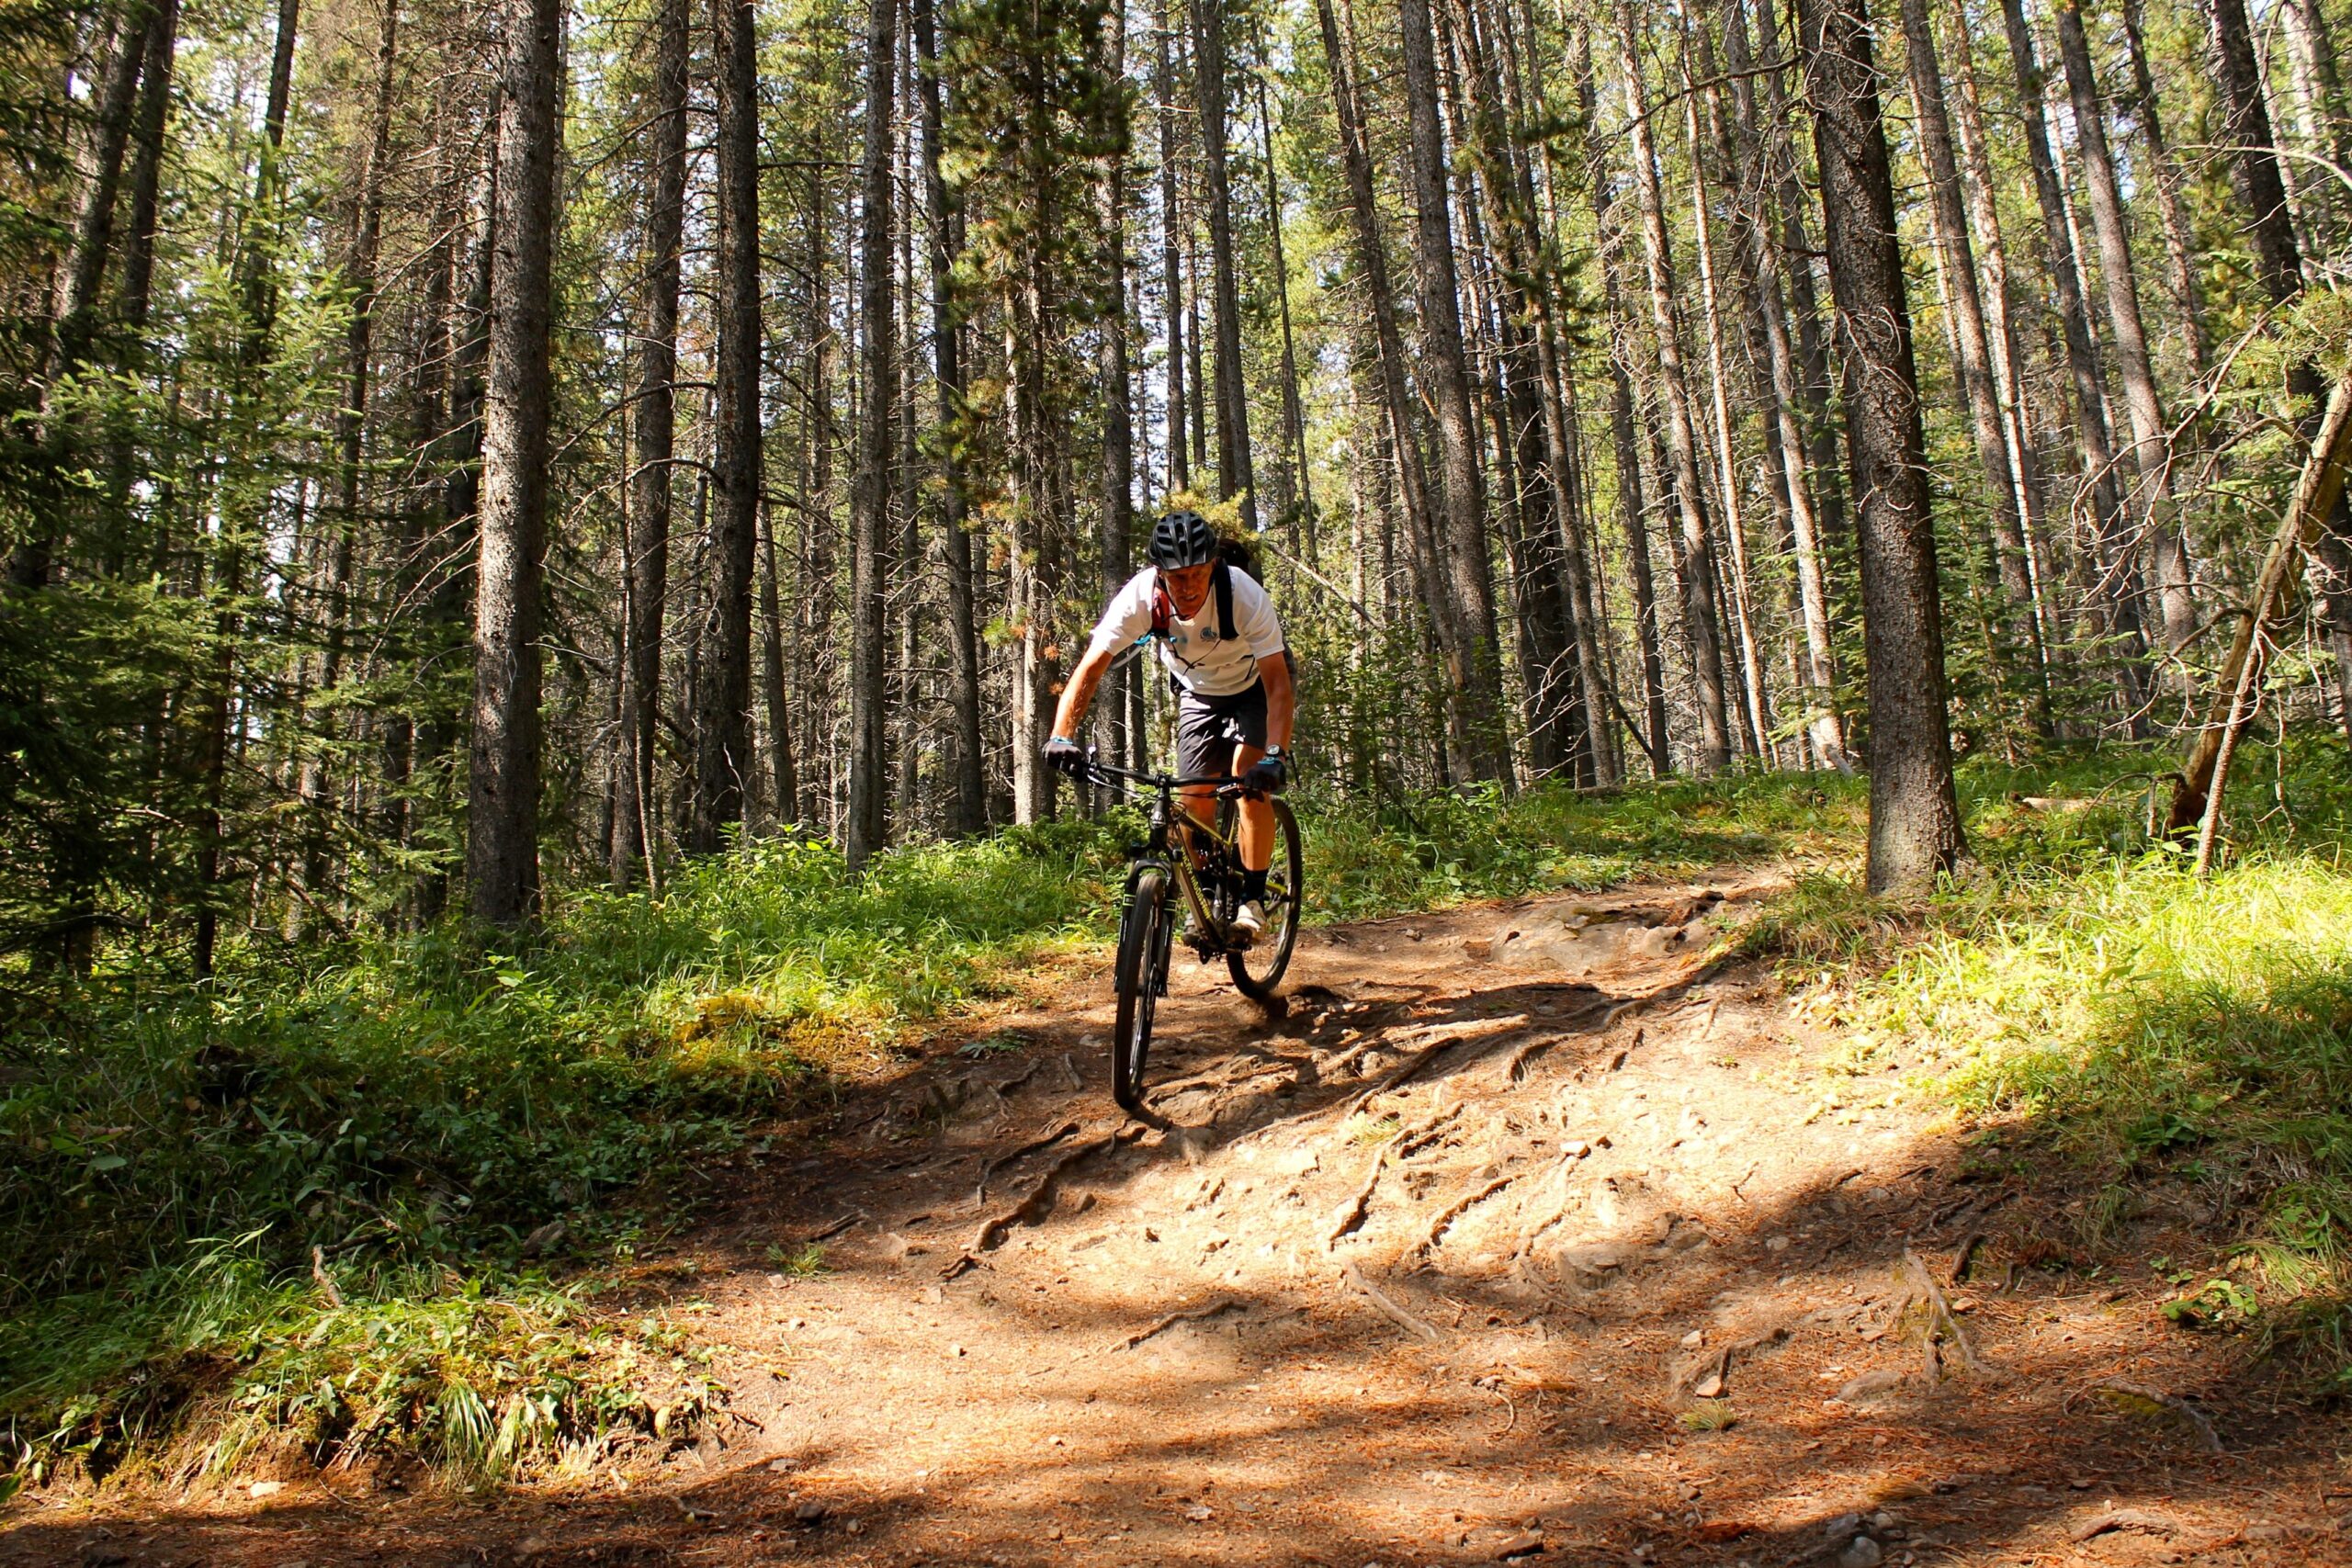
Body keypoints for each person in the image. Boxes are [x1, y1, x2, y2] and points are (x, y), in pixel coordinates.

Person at [1044, 510, 1294, 943]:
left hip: (1254, 687)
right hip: (1198, 692)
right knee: (1191, 799)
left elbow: (1278, 684)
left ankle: (1252, 901)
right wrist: (1062, 736)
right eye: (1178, 578)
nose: (1190, 586)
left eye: (1198, 574)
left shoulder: (1244, 596)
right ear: (1159, 573)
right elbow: (1089, 670)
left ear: (1213, 565)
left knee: (1246, 783)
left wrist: (1275, 756)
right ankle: (1209, 899)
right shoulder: (1139, 599)